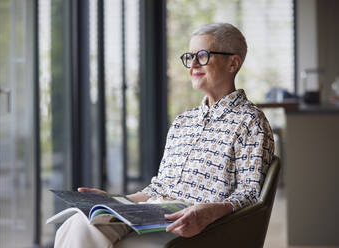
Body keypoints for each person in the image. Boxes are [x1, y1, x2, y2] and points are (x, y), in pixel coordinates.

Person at [54, 22, 274, 248]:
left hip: (201, 224)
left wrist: (208, 212)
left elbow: (250, 194)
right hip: (155, 213)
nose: (193, 65)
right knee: (79, 222)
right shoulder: (182, 122)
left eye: (202, 55)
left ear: (233, 63)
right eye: (189, 57)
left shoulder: (250, 122)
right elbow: (158, 189)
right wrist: (112, 201)